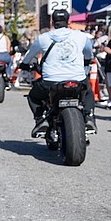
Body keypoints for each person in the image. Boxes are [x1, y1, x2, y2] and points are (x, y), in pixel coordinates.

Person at [22, 8, 95, 136]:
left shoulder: (43, 38)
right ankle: (89, 116)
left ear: (52, 22)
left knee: (33, 96)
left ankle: (40, 120)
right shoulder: (81, 36)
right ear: (68, 21)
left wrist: (24, 64)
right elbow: (88, 53)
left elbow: (28, 57)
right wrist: (86, 61)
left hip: (51, 81)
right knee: (88, 92)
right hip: (77, 79)